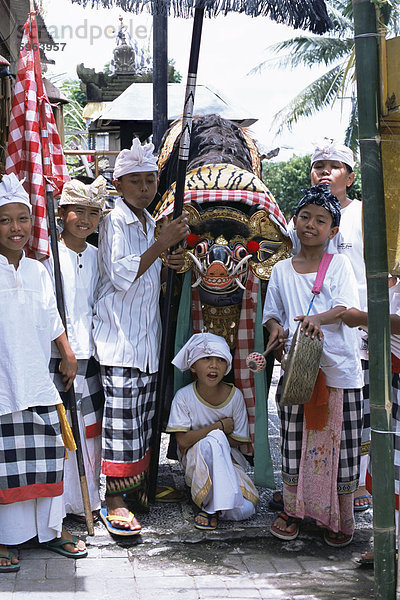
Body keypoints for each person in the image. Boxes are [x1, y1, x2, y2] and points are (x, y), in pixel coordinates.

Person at [93, 138, 190, 536]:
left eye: (151, 180)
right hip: (118, 340)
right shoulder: (114, 219)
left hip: (146, 341)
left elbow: (153, 282)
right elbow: (120, 274)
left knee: (141, 421)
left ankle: (136, 490)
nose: (146, 188)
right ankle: (114, 500)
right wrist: (161, 245)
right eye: (137, 182)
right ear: (118, 185)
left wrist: (171, 262)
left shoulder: (151, 222)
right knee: (121, 423)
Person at [263, 184, 363, 547]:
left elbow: (345, 309)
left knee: (342, 446)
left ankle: (340, 519)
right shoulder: (280, 272)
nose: (311, 225)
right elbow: (272, 315)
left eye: (321, 220)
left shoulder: (340, 265)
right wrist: (276, 330)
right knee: (294, 443)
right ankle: (294, 511)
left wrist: (317, 318)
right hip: (297, 371)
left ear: (333, 231)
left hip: (339, 371)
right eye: (305, 217)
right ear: (294, 220)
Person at [0, 173, 87, 573]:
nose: (15, 228)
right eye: (5, 220)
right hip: (3, 385)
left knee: (49, 456)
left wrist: (67, 352)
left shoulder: (37, 270)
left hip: (38, 380)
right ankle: (5, 538)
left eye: (22, 219)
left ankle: (51, 531)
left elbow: (52, 319)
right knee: (6, 464)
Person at [286, 139, 370, 512]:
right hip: (309, 338)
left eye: (333, 166)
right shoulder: (301, 223)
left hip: (360, 329)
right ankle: (305, 498)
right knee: (307, 423)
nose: (323, 170)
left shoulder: (366, 215)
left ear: (350, 176)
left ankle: (352, 497)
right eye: (318, 164)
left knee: (355, 419)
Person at [44, 176, 106, 524]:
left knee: (89, 432)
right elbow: (47, 309)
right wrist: (64, 350)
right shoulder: (47, 257)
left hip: (91, 356)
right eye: (78, 211)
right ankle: (61, 505)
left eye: (93, 213)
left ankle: (88, 501)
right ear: (62, 212)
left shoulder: (99, 256)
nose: (85, 220)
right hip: (58, 356)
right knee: (62, 431)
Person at [166, 332, 259, 530]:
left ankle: (215, 503)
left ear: (227, 367)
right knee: (212, 440)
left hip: (229, 462)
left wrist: (219, 438)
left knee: (245, 510)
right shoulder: (183, 397)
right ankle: (210, 509)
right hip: (196, 462)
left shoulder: (235, 397)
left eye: (220, 360)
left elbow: (239, 441)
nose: (213, 365)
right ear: (193, 366)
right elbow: (182, 442)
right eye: (206, 359)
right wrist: (218, 427)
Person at [340, 275, 400, 565]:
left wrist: (363, 317)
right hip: (386, 378)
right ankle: (387, 542)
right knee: (386, 461)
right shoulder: (390, 283)